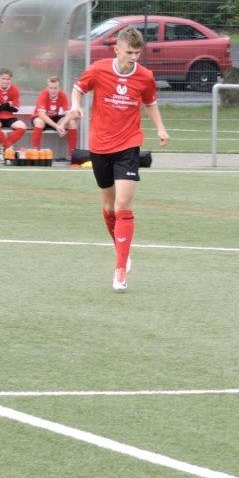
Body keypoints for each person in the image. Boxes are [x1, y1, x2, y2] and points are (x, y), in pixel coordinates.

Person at [70, 26, 169, 292]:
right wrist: (75, 105)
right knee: (109, 206)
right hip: (100, 146)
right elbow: (78, 88)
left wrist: (160, 128)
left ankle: (120, 268)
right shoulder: (98, 69)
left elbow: (150, 102)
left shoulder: (145, 76)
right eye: (129, 52)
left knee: (123, 204)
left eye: (137, 53)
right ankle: (121, 249)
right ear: (116, 50)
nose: (133, 58)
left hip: (129, 145)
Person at [31, 75, 78, 158]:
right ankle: (35, 152)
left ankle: (73, 155)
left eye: (55, 88)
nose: (53, 90)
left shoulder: (62, 95)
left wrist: (62, 125)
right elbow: (42, 115)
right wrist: (57, 126)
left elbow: (68, 114)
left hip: (54, 117)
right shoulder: (43, 94)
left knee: (72, 123)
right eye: (51, 88)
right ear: (47, 88)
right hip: (42, 118)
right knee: (39, 122)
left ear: (59, 88)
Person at [0, 68, 27, 158]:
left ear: (10, 80)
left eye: (8, 79)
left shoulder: (14, 89)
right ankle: (9, 148)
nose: (5, 81)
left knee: (22, 127)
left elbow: (15, 109)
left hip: (8, 116)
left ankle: (3, 147)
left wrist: (3, 106)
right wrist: (8, 104)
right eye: (3, 78)